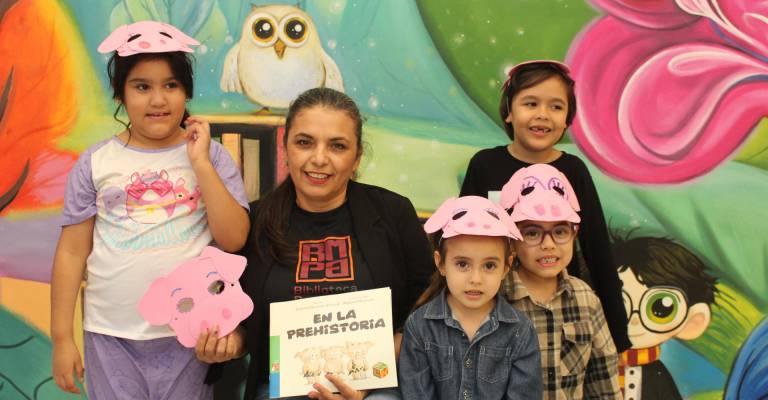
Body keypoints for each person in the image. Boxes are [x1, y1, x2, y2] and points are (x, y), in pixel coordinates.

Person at [50, 21, 250, 399]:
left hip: (192, 335)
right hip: (111, 336)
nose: (158, 100)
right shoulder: (95, 163)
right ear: (120, 95)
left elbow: (235, 237)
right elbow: (72, 253)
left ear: (186, 92)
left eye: (170, 85)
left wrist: (201, 164)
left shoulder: (213, 157)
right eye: (142, 87)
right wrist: (62, 338)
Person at [237, 87, 434, 400]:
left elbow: (428, 305)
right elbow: (241, 322)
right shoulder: (252, 221)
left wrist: (369, 378)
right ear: (285, 147)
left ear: (357, 158)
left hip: (373, 389)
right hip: (280, 390)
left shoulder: (393, 213)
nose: (319, 158)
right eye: (304, 142)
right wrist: (229, 340)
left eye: (337, 146)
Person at [459, 60, 630, 353]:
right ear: (509, 112)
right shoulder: (485, 165)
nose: (543, 115)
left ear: (567, 120)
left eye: (556, 106)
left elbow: (598, 251)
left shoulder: (573, 170)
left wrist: (618, 337)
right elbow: (461, 242)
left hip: (560, 313)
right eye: (530, 103)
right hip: (497, 310)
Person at [398, 195, 542, 399]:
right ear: (440, 264)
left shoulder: (521, 332)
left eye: (489, 266)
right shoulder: (419, 327)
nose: (475, 279)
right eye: (462, 264)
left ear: (506, 267)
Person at [501, 163, 620, 399]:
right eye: (533, 232)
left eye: (560, 231)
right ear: (512, 239)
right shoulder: (494, 298)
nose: (548, 244)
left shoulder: (585, 298)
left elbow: (603, 379)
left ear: (574, 234)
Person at [612, 235, 718, 400]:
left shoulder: (656, 376)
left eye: (660, 308)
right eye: (619, 304)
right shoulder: (589, 365)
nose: (634, 320)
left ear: (693, 321)